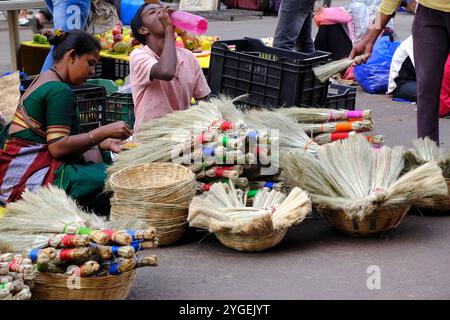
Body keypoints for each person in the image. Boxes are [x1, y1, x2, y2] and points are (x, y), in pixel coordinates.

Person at [0, 29, 132, 213]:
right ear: (71, 56)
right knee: (118, 178)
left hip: (12, 175)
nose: (92, 72)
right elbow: (58, 147)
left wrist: (103, 142)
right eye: (90, 63)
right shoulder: (59, 91)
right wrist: (105, 131)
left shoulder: (43, 78)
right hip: (29, 179)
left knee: (105, 163)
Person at [349, 0, 450, 144]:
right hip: (429, 15)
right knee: (426, 90)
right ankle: (427, 155)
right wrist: (368, 37)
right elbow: (388, 3)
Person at [129, 2, 211, 132]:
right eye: (152, 12)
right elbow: (166, 71)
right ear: (143, 30)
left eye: (162, 9)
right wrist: (168, 29)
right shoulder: (138, 56)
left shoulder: (188, 57)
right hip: (150, 139)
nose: (162, 13)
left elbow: (205, 101)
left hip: (180, 137)